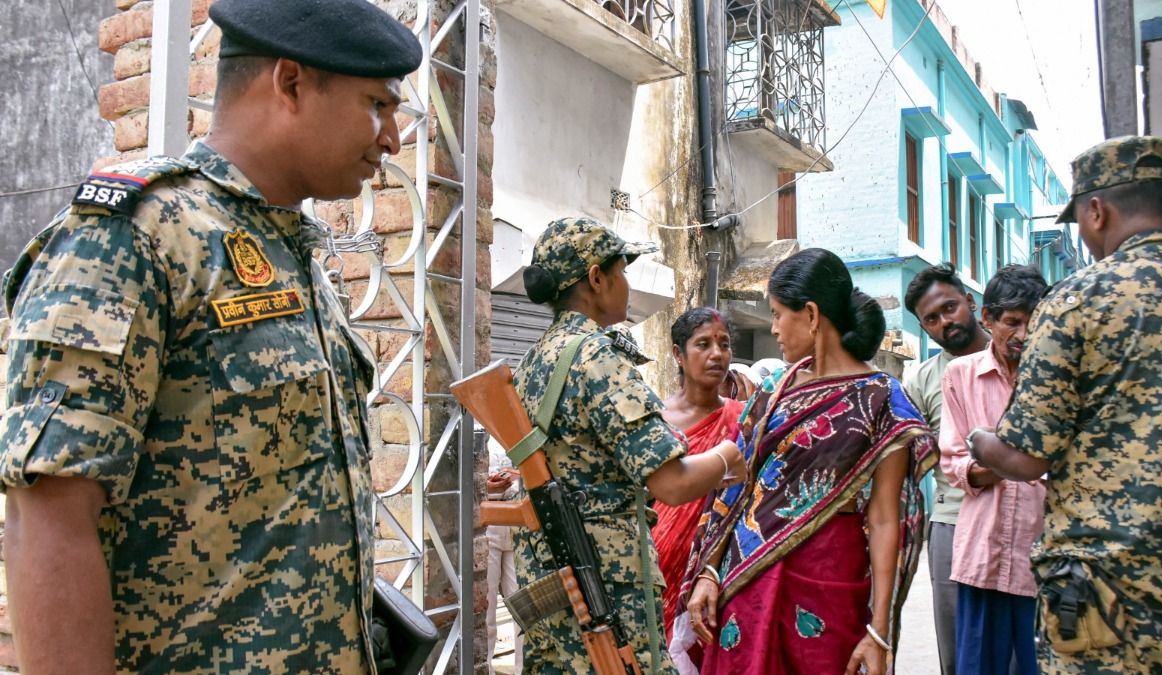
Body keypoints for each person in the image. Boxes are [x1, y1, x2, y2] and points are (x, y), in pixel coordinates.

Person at [0, 0, 421, 671]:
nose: (392, 137)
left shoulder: (294, 256)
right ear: (290, 84)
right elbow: (49, 515)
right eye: (377, 103)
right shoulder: (134, 237)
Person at [968, 136, 1162, 673]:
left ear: (1096, 210)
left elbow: (1027, 458)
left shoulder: (1076, 302)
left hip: (1105, 598)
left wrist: (982, 442)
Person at [676, 248, 937, 675]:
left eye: (778, 314)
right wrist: (708, 570)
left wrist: (880, 630)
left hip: (830, 584)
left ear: (811, 315)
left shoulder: (882, 399)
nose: (774, 328)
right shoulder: (774, 392)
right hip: (746, 579)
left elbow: (887, 517)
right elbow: (737, 484)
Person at [512, 216, 748, 674]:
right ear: (596, 279)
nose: (626, 283)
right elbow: (672, 483)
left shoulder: (533, 357)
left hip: (549, 570)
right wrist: (726, 458)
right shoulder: (597, 357)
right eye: (621, 270)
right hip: (603, 587)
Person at [939, 265, 1047, 675]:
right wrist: (1020, 465)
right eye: (1012, 322)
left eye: (1032, 323)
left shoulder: (1053, 375)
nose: (1022, 335)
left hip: (1042, 559)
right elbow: (955, 464)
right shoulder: (960, 376)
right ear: (987, 318)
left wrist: (996, 460)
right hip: (982, 556)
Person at [901, 262, 990, 675]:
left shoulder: (1014, 358)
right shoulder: (920, 380)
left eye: (950, 307)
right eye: (931, 319)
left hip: (1024, 519)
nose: (944, 322)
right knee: (957, 652)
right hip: (953, 524)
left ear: (970, 302)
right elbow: (907, 457)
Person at [653, 308, 746, 646]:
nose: (717, 354)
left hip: (718, 572)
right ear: (678, 354)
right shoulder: (656, 423)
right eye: (703, 344)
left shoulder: (743, 420)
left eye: (724, 344)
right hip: (659, 568)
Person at [486, 438, 523, 675]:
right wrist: (487, 486)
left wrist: (518, 475)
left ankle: (525, 669)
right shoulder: (473, 428)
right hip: (488, 517)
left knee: (523, 606)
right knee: (486, 608)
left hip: (518, 518)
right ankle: (485, 668)